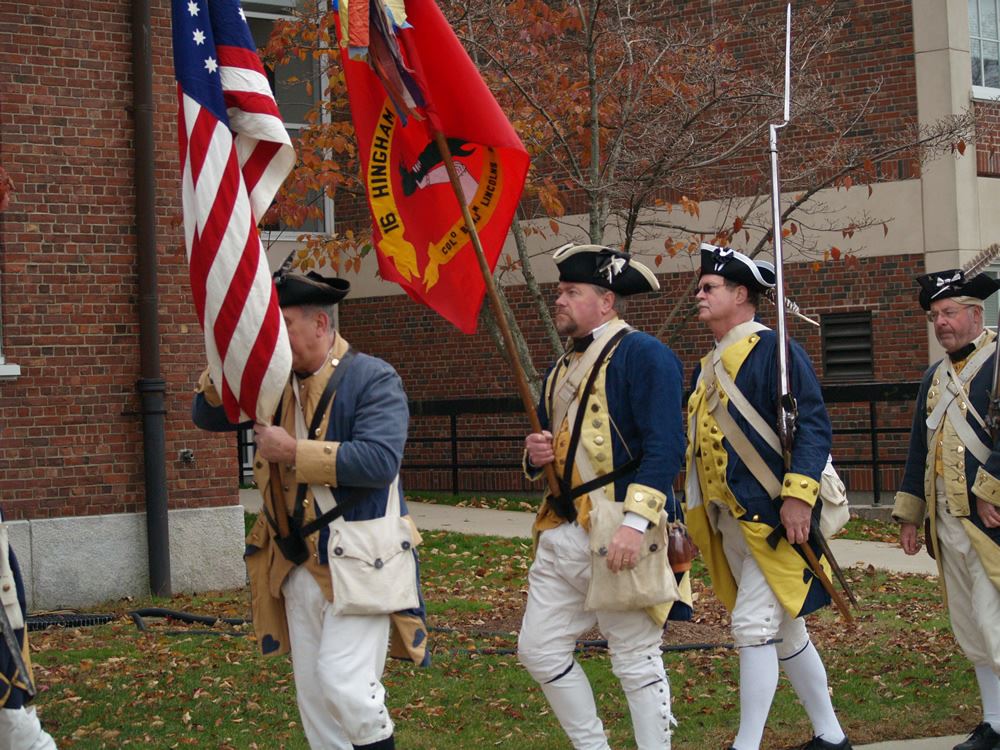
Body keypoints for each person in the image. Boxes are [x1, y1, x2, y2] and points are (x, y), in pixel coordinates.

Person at [192, 268, 428, 750]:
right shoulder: (272, 381)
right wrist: (229, 359)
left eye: (282, 327)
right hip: (296, 562)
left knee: (346, 686)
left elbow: (380, 461)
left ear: (321, 324)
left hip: (361, 560)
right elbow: (207, 414)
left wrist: (293, 452)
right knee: (317, 703)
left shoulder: (372, 377)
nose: (273, 341)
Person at [519, 243, 687, 750]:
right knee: (539, 650)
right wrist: (536, 455)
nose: (559, 300)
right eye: (560, 291)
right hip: (562, 530)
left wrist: (636, 525)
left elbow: (665, 447)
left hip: (617, 529)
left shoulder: (643, 354)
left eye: (572, 292)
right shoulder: (559, 370)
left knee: (636, 660)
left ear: (606, 301)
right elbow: (557, 446)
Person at [684, 244, 851, 750]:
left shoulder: (775, 352)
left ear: (741, 295)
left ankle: (746, 744)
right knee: (788, 633)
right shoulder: (708, 366)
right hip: (730, 522)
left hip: (773, 518)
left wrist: (799, 496)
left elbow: (813, 426)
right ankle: (831, 736)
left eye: (709, 287)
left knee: (753, 627)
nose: (698, 295)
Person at [893, 268, 1000, 750]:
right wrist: (911, 514)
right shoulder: (934, 376)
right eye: (935, 315)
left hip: (990, 523)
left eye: (949, 312)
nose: (940, 323)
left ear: (976, 314)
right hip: (948, 522)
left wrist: (991, 489)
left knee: (995, 622)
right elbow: (920, 446)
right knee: (971, 627)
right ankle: (994, 723)